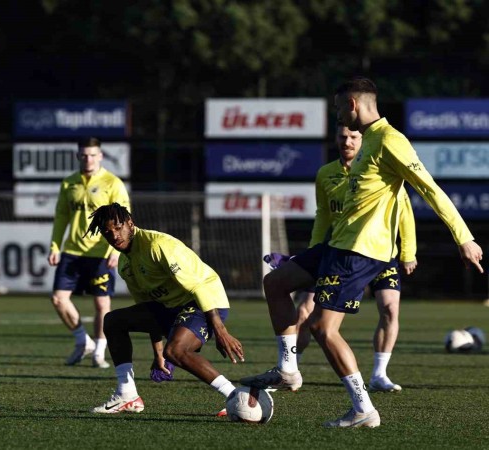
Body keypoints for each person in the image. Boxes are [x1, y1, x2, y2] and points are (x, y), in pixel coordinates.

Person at [241, 77, 483, 428]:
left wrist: (464, 237)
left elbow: (429, 189)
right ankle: (288, 370)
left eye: (339, 108)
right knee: (276, 282)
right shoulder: (366, 142)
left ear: (352, 104)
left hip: (360, 251)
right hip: (336, 244)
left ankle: (363, 409)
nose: (338, 116)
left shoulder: (390, 140)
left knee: (324, 328)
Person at [291, 125, 417, 393]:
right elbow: (323, 214)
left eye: (353, 137)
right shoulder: (326, 174)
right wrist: (313, 253)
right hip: (339, 253)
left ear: (363, 139)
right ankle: (291, 369)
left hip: (382, 254)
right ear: (335, 139)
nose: (347, 141)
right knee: (306, 311)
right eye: (342, 136)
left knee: (390, 309)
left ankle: (379, 374)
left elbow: (404, 213)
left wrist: (408, 253)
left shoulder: (382, 169)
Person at [84, 203, 244, 414]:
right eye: (107, 232)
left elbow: (198, 286)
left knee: (176, 351)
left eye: (118, 227)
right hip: (171, 308)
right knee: (114, 320)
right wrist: (158, 353)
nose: (114, 235)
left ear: (130, 224)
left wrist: (221, 330)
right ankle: (127, 394)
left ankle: (237, 397)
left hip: (204, 302)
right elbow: (149, 309)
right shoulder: (125, 265)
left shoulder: (157, 246)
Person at [48, 138, 130, 368]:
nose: (88, 159)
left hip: (101, 252)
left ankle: (99, 353)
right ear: (78, 157)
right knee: (58, 299)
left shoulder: (112, 183)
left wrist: (117, 250)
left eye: (93, 155)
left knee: (102, 305)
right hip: (72, 251)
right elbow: (61, 217)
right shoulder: (69, 183)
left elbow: (124, 219)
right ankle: (83, 341)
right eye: (84, 155)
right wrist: (55, 245)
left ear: (101, 156)